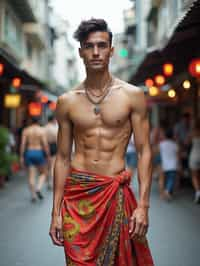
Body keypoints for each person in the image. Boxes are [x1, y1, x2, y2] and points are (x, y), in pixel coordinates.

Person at [49, 18, 154, 265]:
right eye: (89, 46)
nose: (96, 52)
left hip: (115, 195)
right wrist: (55, 213)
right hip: (77, 199)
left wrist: (144, 206)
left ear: (111, 50)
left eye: (102, 45)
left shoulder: (132, 96)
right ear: (81, 52)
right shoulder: (67, 101)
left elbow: (144, 151)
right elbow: (62, 158)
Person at [20, 116, 50, 202]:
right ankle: (38, 188)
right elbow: (45, 144)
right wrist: (48, 156)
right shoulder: (41, 130)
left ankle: (33, 195)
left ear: (31, 122)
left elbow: (22, 144)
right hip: (39, 152)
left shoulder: (26, 130)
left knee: (31, 175)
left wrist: (21, 156)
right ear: (38, 122)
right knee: (44, 173)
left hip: (29, 152)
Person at [159, 128, 179, 201]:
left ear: (165, 135)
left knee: (167, 179)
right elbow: (178, 155)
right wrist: (179, 165)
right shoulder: (175, 144)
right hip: (173, 165)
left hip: (164, 165)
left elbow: (157, 153)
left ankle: (166, 192)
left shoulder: (161, 144)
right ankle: (167, 191)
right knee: (171, 179)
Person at [44, 115, 58, 189]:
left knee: (46, 166)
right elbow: (56, 139)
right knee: (52, 166)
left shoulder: (44, 128)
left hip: (45, 146)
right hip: (53, 146)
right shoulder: (54, 128)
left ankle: (48, 182)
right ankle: (52, 183)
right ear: (52, 120)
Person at [189, 119, 200, 203]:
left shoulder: (193, 132)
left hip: (194, 155)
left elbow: (187, 142)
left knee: (194, 176)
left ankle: (198, 192)